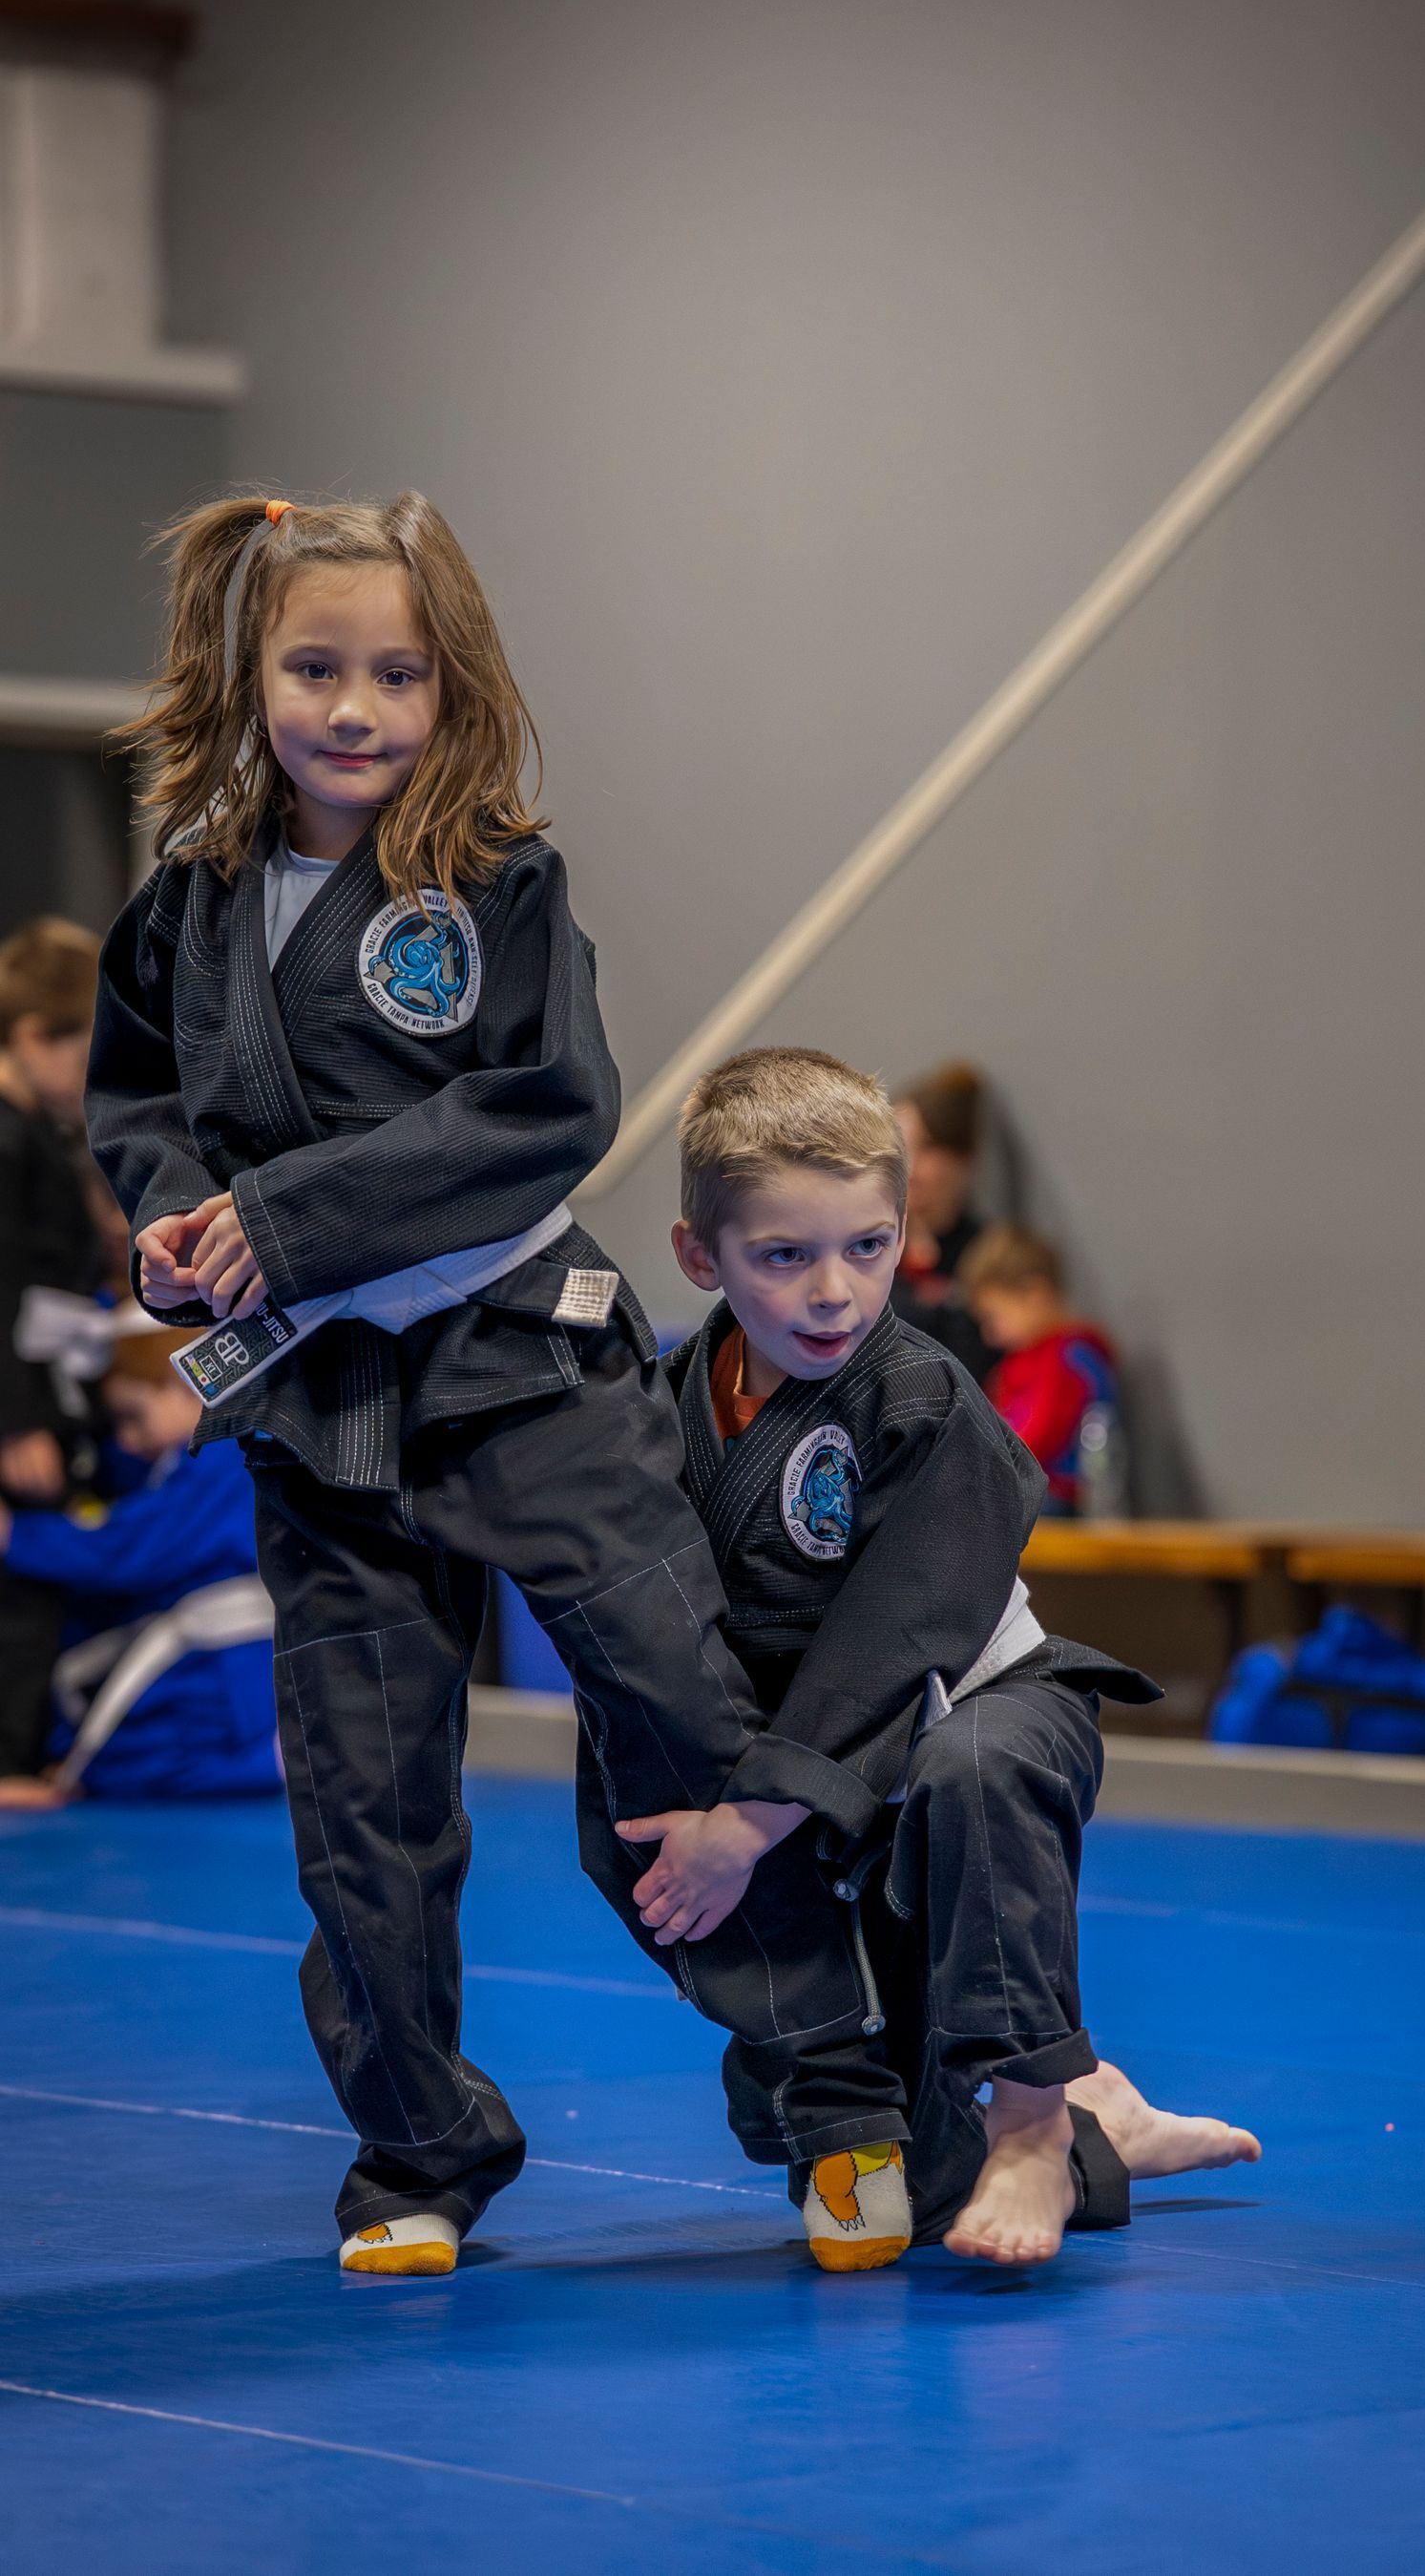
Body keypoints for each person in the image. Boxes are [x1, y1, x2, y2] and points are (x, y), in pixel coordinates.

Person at [86, 493, 908, 2278]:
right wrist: (174, 1233)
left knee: (683, 1714)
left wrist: (283, 1221)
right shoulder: (189, 902)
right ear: (249, 676)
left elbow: (547, 1110)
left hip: (528, 1377)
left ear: (455, 689)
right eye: (316, 669)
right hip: (321, 1415)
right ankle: (415, 2149)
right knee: (362, 1797)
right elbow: (139, 1111)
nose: (356, 708)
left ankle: (836, 2094)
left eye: (398, 673)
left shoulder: (499, 883)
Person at [625, 1046, 1259, 2268]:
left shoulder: (924, 1396)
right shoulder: (668, 1403)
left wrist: (750, 1821)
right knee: (920, 2177)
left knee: (977, 1761)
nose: (833, 1294)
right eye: (784, 1256)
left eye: (867, 1248)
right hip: (838, 1771)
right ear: (699, 1257)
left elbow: (899, 1635)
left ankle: (1032, 2124)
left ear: (906, 1230)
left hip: (986, 1705)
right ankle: (1096, 2110)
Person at [0, 1320, 278, 1809]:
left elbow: (128, 1550)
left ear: (185, 1385)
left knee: (156, 1762)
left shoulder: (223, 1453)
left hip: (215, 1669)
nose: (126, 1440)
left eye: (134, 1416)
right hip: (219, 1665)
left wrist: (17, 1535)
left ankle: (278, 1763)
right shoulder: (206, 1460)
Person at [0, 917, 106, 1782]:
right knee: (18, 1589)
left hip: (42, 1386)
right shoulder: (7, 1137)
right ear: (35, 1035)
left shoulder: (37, 1134)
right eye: (86, 1050)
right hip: (18, 1405)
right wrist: (15, 1423)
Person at [959, 1221, 1121, 1515]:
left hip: (1061, 1499)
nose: (988, 1334)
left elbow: (1037, 1437)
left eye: (993, 1317)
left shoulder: (1069, 1358)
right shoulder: (1020, 1362)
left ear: (1034, 1294)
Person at [890, 1059, 994, 1379]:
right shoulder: (862, 1247)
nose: (911, 1167)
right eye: (900, 1146)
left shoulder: (988, 1255)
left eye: (928, 1148)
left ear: (964, 1158)